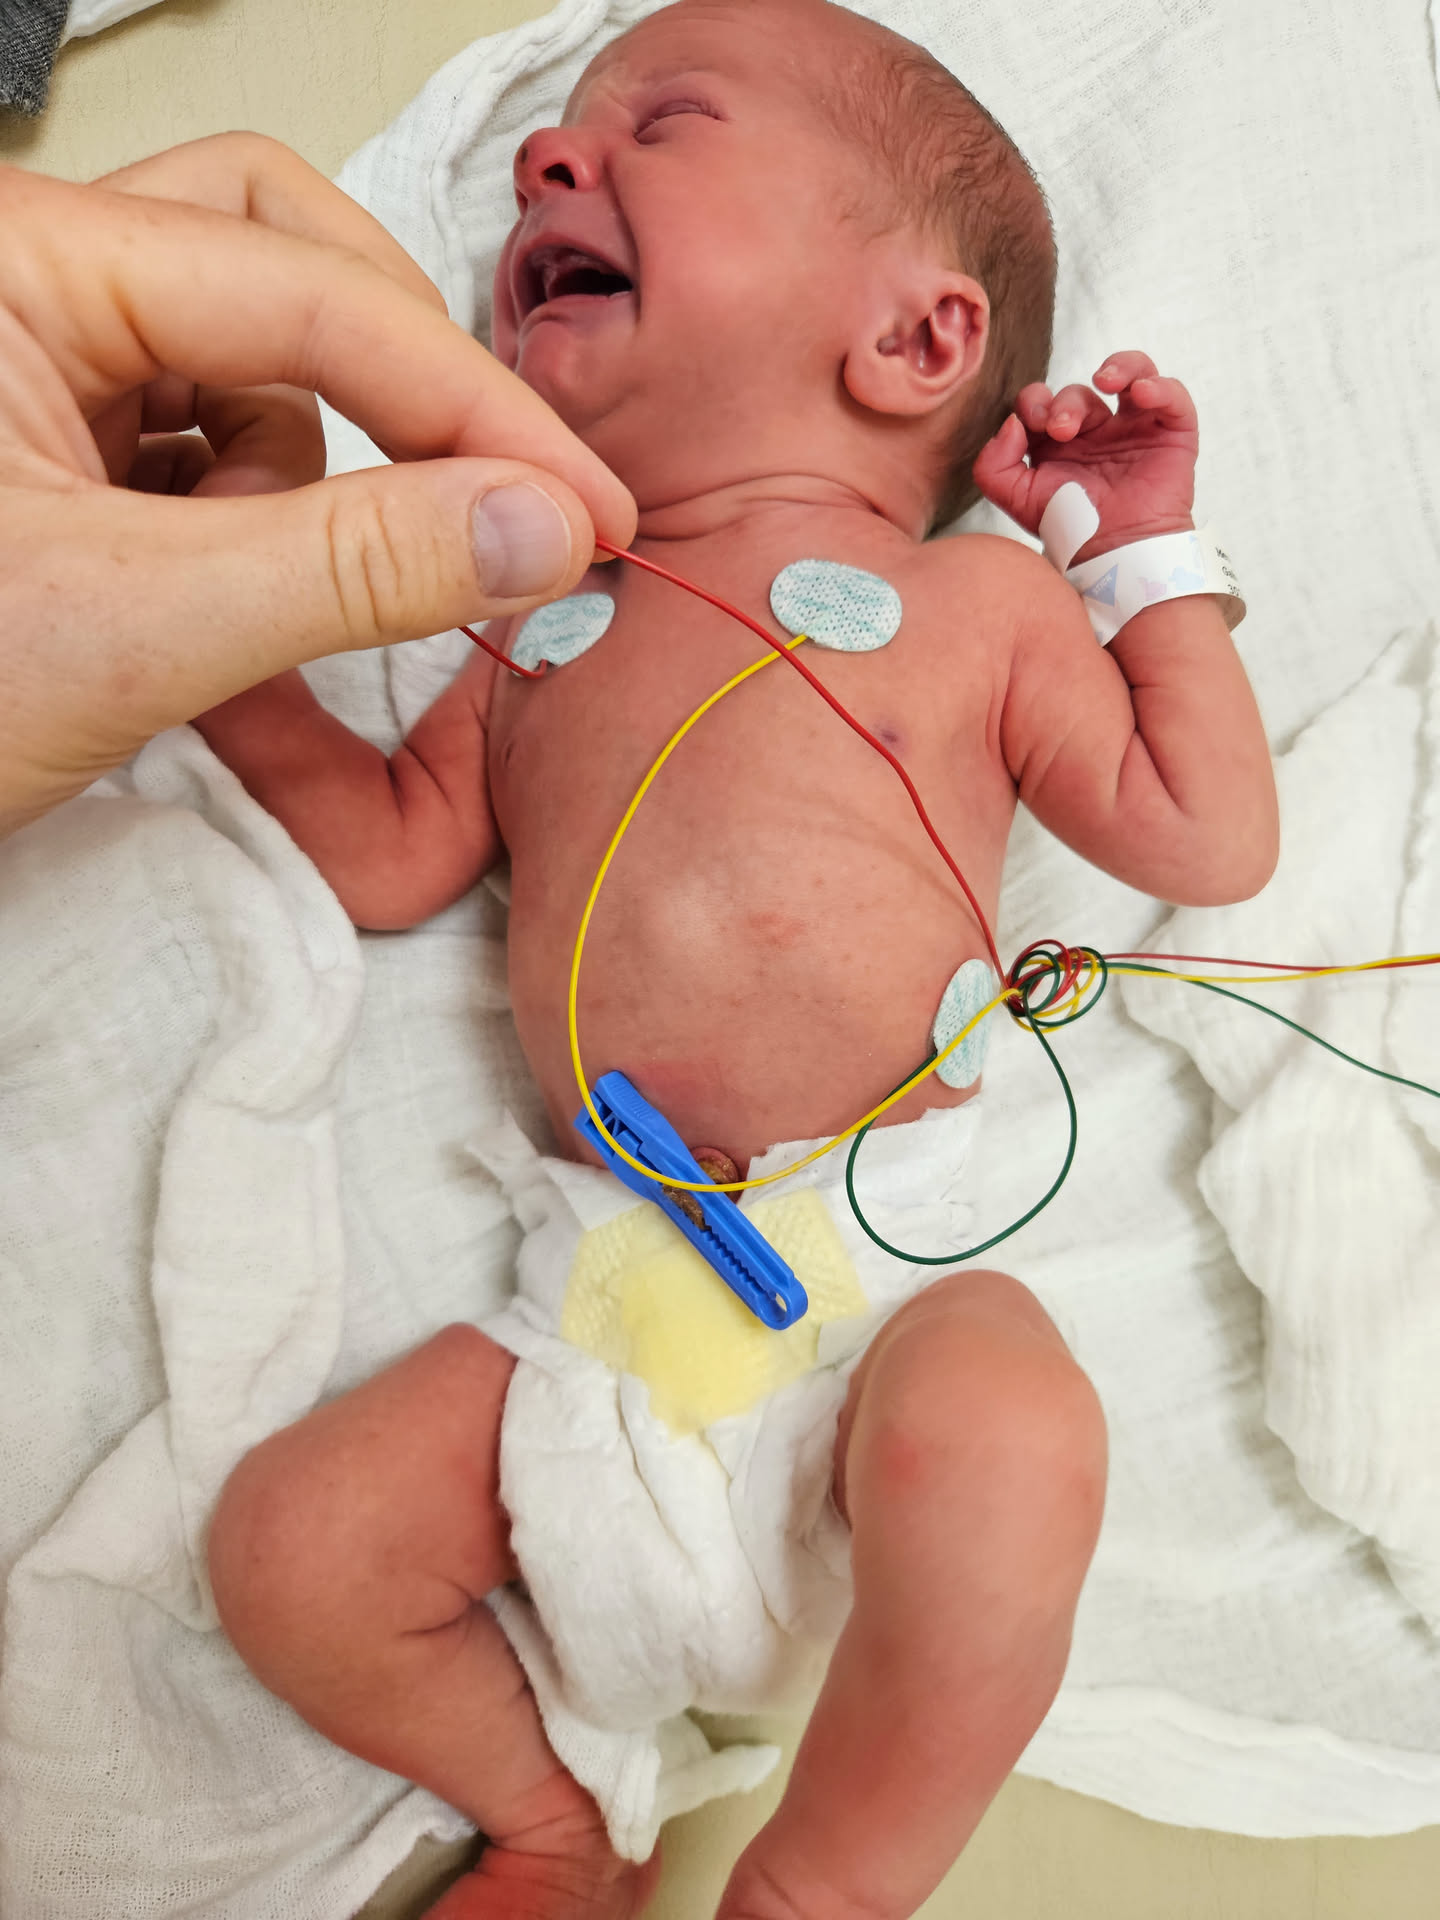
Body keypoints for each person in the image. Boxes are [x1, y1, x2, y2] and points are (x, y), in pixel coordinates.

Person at [198, 3, 1279, 1917]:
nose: (548, 160)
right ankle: (553, 1824)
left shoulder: (979, 601)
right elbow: (382, 852)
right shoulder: (537, 621)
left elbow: (1207, 837)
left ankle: (824, 1880)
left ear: (914, 342)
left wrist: (1141, 562)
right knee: (288, 1548)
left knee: (1013, 1430)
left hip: (876, 1308)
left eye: (662, 125)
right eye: (552, 138)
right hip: (599, 1326)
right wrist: (222, 608)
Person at [0, 133, 635, 840]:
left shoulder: (522, 558)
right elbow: (399, 842)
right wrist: (218, 626)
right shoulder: (527, 609)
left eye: (673, 118)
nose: (537, 158)